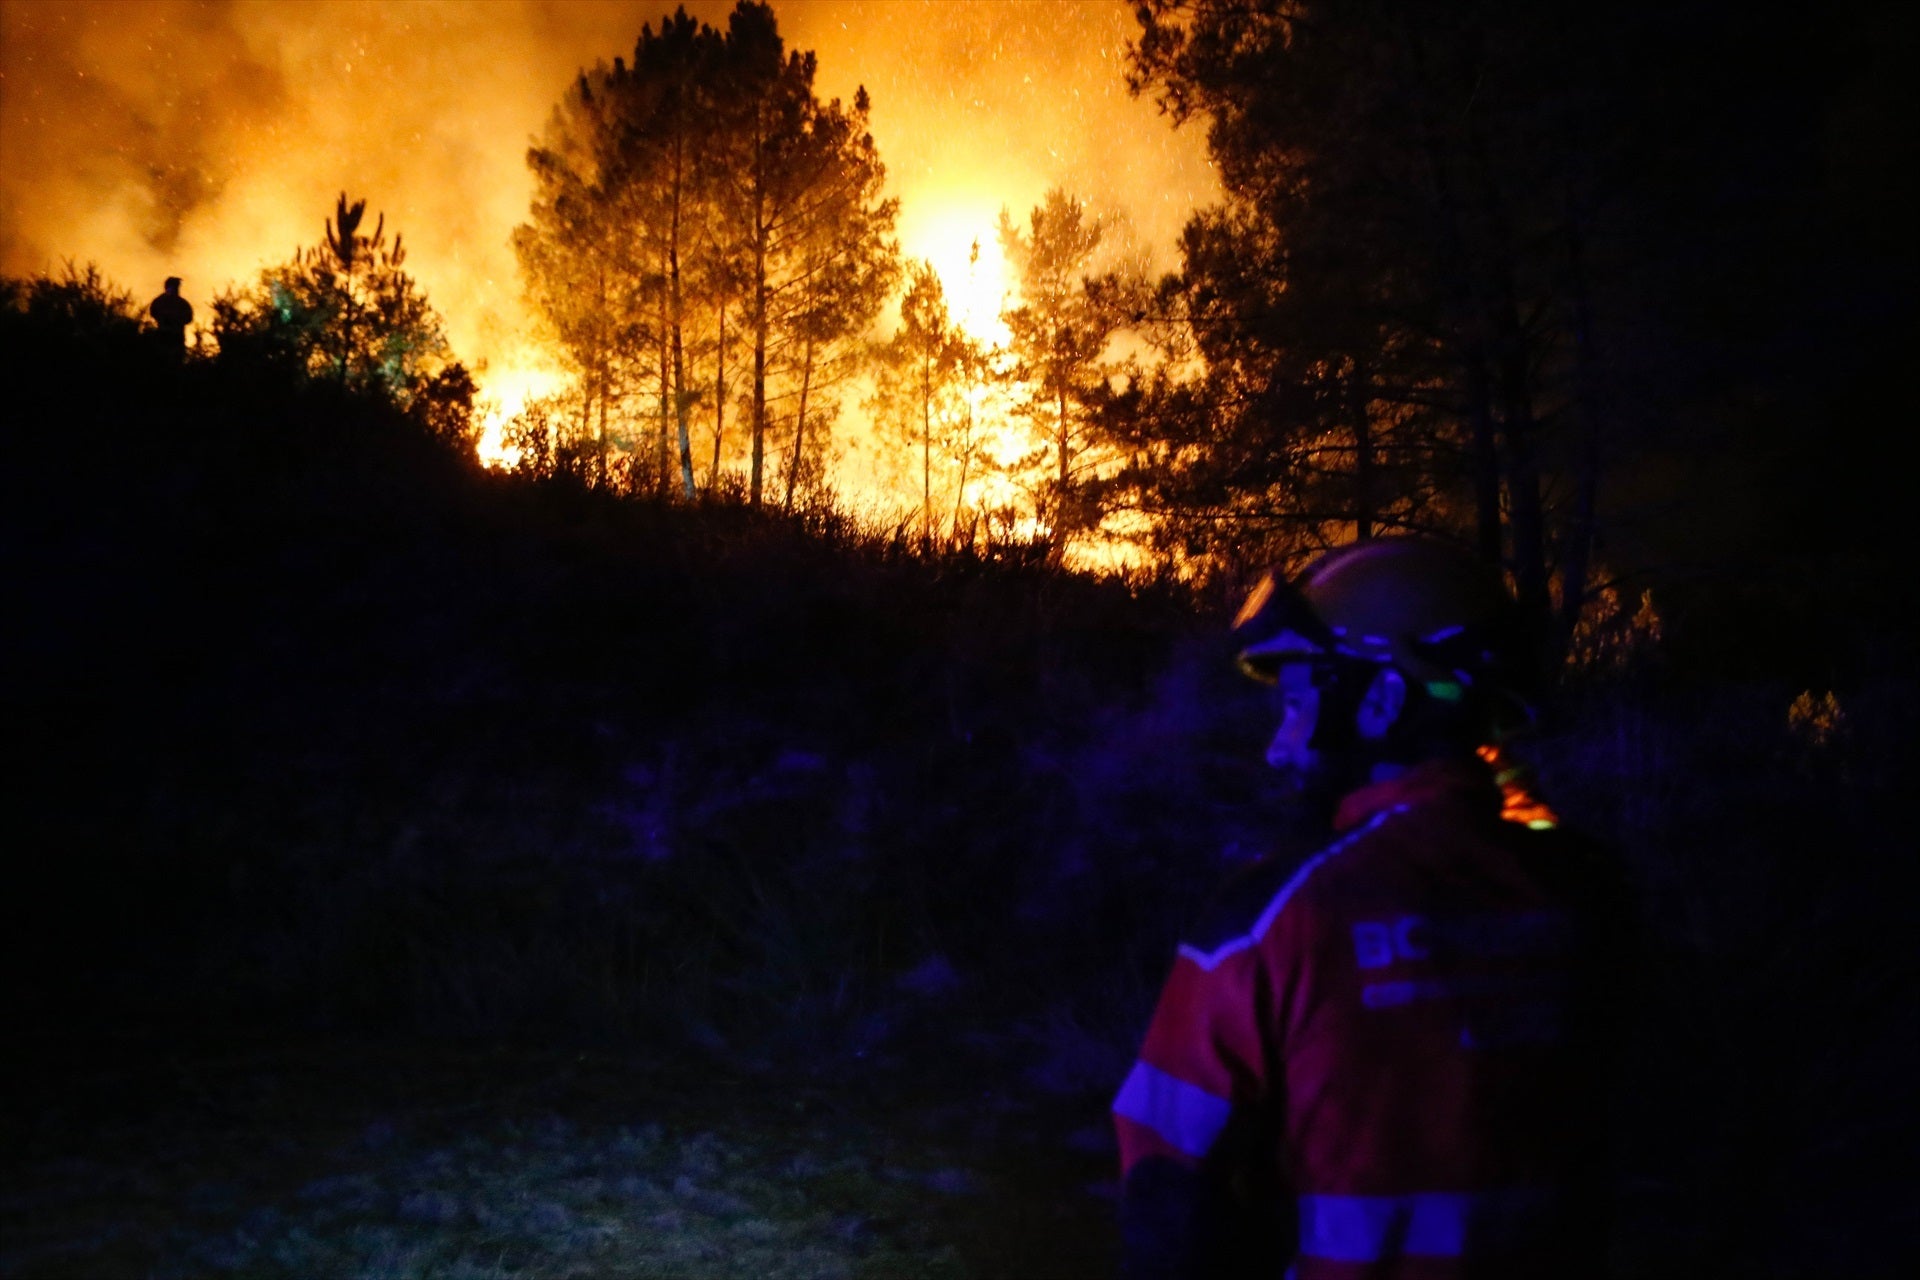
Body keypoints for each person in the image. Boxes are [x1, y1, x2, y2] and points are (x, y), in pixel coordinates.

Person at [1112, 536, 1624, 1279]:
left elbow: (1167, 1176)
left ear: (1381, 702)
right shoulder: (1588, 892)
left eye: (1296, 705)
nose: (1279, 750)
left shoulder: (1278, 915)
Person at [148, 276, 193, 355]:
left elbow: (189, 318)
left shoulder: (159, 301)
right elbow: (189, 318)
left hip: (170, 336)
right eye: (176, 286)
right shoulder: (182, 303)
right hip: (170, 337)